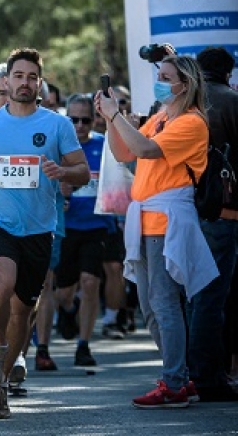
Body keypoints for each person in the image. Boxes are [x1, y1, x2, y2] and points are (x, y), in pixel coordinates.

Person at [0, 48, 89, 420]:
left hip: (39, 227)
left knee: (24, 310)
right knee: (0, 283)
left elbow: (80, 169)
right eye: (19, 76)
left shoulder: (57, 125)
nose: (25, 82)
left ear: (40, 83)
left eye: (32, 77)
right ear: (6, 81)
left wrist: (62, 173)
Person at [95, 54, 217, 409]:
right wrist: (110, 120)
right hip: (145, 219)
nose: (159, 81)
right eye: (158, 75)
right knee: (149, 307)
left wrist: (118, 115)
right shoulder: (163, 116)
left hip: (167, 221)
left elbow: (145, 149)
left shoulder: (192, 122)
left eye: (166, 76)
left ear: (186, 83)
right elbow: (124, 153)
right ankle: (178, 376)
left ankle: (176, 382)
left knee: (164, 305)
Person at [187, 47, 238, 402]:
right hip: (222, 210)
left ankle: (198, 371)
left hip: (186, 209)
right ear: (228, 72)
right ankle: (207, 376)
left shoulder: (182, 104)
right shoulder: (230, 100)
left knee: (197, 293)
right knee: (214, 295)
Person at [55, 93, 117, 367]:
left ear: (94, 120)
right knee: (64, 292)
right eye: (73, 119)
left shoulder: (104, 146)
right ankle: (67, 308)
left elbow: (117, 183)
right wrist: (58, 193)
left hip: (95, 226)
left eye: (85, 119)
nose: (79, 125)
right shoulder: (57, 148)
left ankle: (84, 344)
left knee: (91, 283)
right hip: (65, 228)